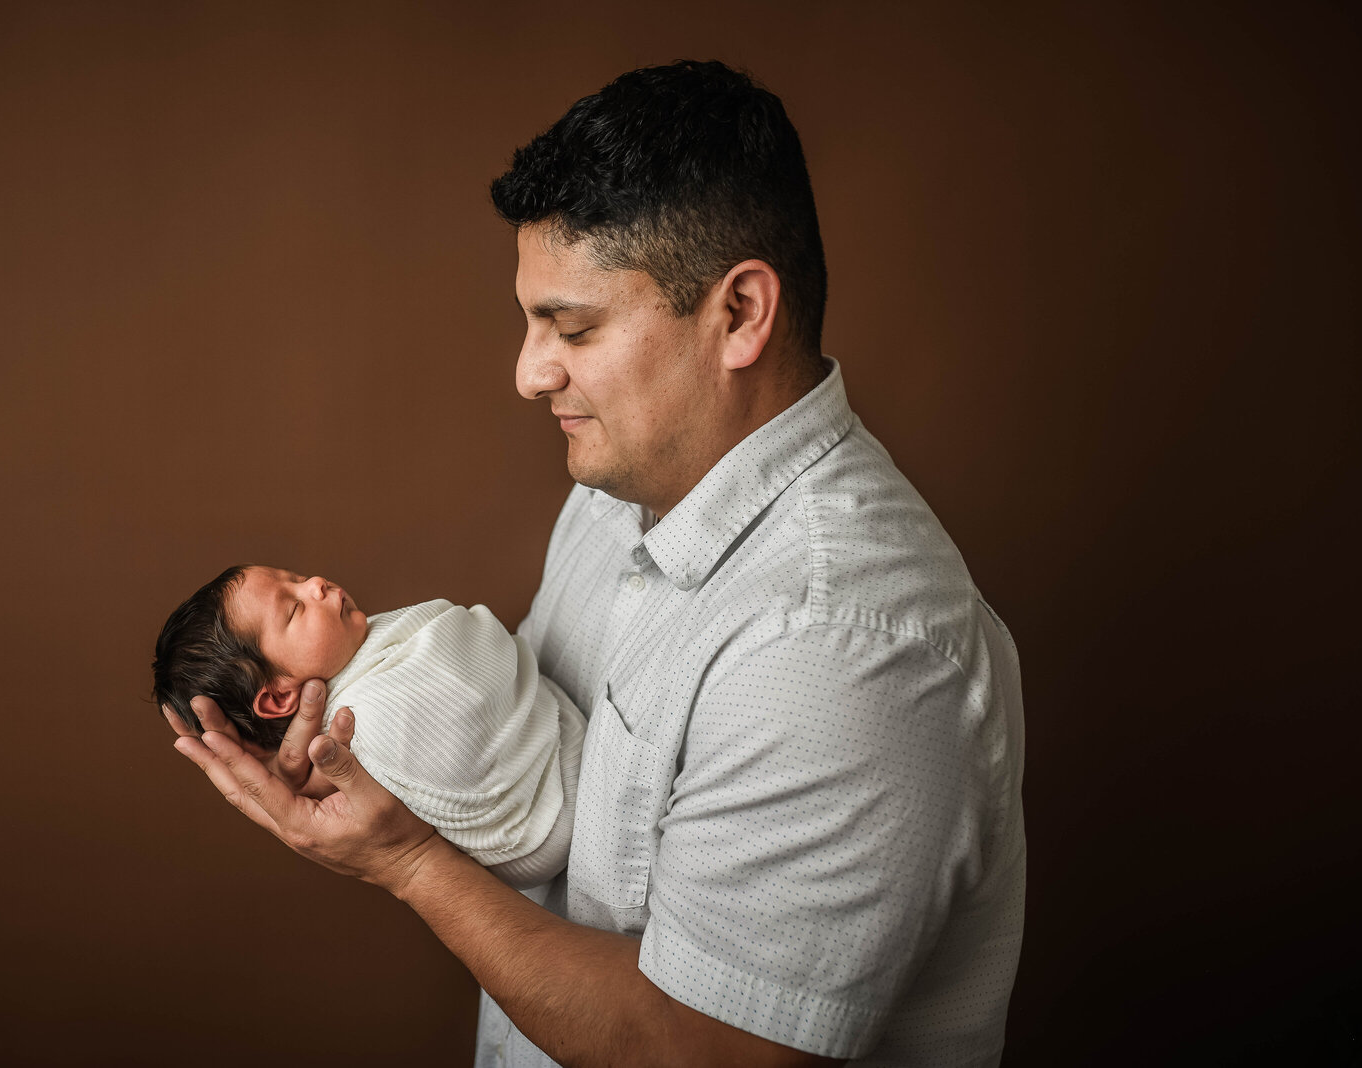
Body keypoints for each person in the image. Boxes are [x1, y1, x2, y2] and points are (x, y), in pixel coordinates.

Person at [168, 60, 1025, 1067]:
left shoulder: (837, 643)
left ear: (739, 314)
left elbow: (697, 1053)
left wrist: (404, 862)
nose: (529, 373)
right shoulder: (612, 494)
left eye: (571, 327)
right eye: (533, 322)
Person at [153, 564, 583, 889]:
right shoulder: (361, 723)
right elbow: (459, 709)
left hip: (556, 738)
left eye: (296, 577)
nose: (316, 582)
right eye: (295, 608)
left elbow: (461, 643)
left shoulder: (374, 648)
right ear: (281, 696)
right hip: (538, 827)